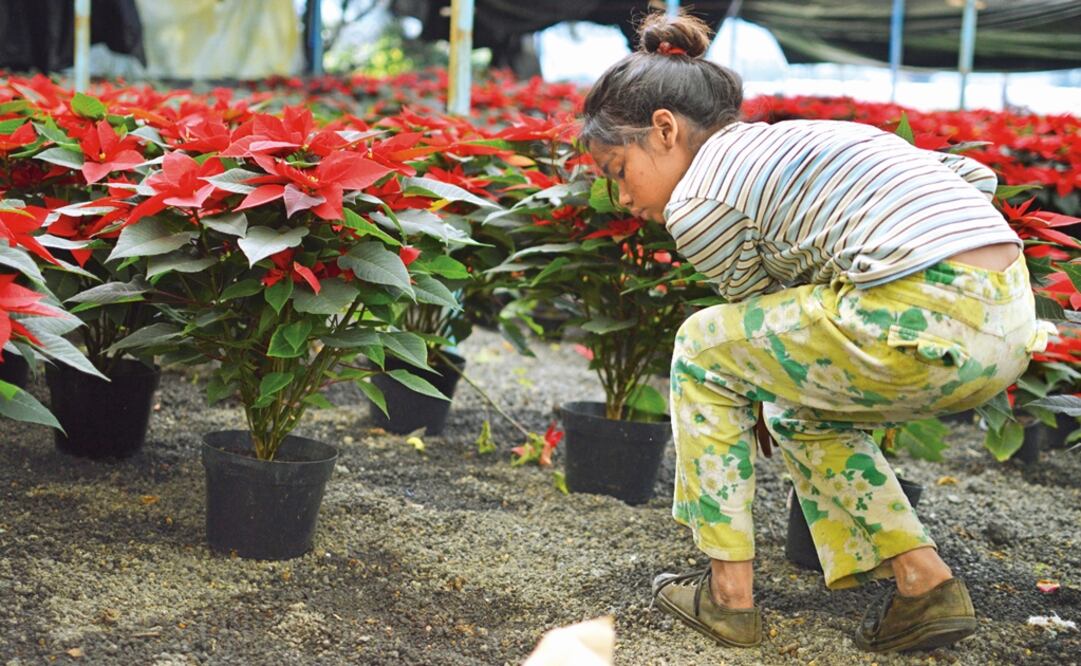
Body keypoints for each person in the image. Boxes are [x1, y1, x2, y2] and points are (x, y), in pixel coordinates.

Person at [579, 12, 1054, 654]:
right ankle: (924, 585)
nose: (624, 200)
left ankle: (728, 599)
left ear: (664, 130)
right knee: (799, 411)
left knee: (698, 348)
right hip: (1007, 320)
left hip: (917, 305)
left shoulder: (700, 197)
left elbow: (743, 331)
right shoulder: (797, 140)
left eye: (616, 170)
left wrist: (736, 398)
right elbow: (971, 179)